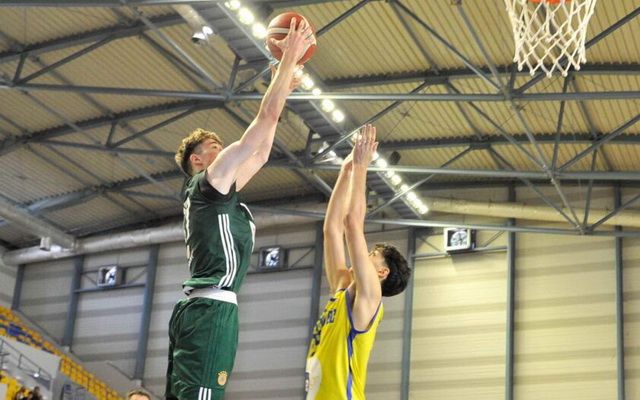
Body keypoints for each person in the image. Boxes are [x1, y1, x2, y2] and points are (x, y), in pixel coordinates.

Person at [166, 17, 313, 400]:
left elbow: (260, 153)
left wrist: (283, 87)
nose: (224, 151)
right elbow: (260, 125)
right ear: (198, 161)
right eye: (215, 148)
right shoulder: (209, 181)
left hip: (206, 308)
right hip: (210, 309)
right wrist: (286, 61)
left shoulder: (215, 192)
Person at [305, 125, 412, 400]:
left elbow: (352, 223)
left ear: (382, 272)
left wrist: (363, 167)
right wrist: (347, 169)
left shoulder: (370, 296)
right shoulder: (343, 290)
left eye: (371, 254)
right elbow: (331, 229)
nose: (363, 256)